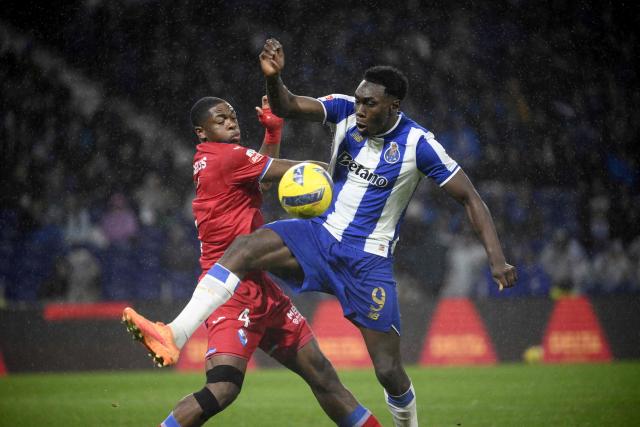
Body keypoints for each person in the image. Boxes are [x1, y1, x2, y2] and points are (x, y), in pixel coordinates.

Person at [128, 39, 518, 427]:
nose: (359, 108)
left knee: (387, 371)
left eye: (369, 103)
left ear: (393, 107)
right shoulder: (345, 109)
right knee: (245, 248)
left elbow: (470, 198)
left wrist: (496, 258)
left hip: (367, 261)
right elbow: (288, 104)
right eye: (359, 99)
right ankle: (175, 334)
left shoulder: (420, 144)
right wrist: (274, 79)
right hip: (320, 235)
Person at [123, 96, 382, 427]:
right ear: (202, 132)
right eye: (221, 119)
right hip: (229, 294)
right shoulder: (226, 157)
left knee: (323, 377)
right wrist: (356, 170)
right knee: (222, 388)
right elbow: (298, 172)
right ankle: (173, 336)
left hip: (261, 289)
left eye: (233, 116)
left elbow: (263, 178)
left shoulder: (215, 158)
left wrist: (272, 133)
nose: (232, 122)